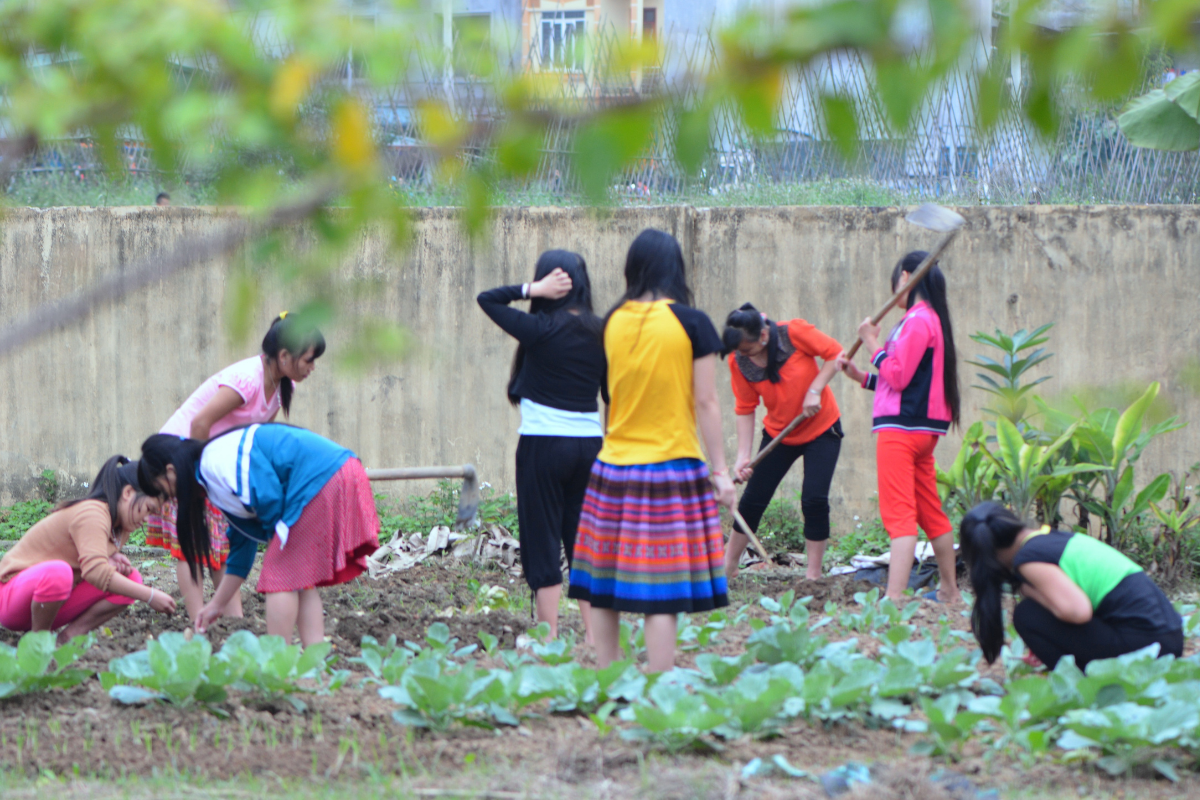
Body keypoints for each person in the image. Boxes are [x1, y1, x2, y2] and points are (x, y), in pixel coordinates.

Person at [568, 229, 735, 672]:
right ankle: (659, 682)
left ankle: (610, 675)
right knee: (662, 593)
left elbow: (609, 399)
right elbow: (706, 401)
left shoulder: (610, 323)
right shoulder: (692, 323)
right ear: (675, 268)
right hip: (671, 469)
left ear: (632, 269)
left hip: (613, 469)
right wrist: (721, 472)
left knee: (602, 583)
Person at [146, 314, 325, 623]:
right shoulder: (248, 380)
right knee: (192, 541)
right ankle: (198, 621)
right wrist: (198, 481)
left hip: (217, 467)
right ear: (284, 356)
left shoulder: (283, 386)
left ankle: (231, 620)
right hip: (183, 461)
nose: (313, 367)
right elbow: (200, 423)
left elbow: (254, 439)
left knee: (221, 541)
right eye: (309, 359)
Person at [139, 424, 380, 646]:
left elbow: (268, 495)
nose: (172, 500)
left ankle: (277, 667)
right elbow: (242, 548)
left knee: (280, 575)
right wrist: (216, 605)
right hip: (338, 472)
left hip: (323, 477)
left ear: (171, 472)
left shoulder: (214, 462)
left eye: (165, 491)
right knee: (300, 579)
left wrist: (279, 545)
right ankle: (315, 662)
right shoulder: (212, 479)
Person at [477, 250, 606, 642]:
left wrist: (531, 289)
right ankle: (594, 635)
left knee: (542, 538)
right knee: (583, 540)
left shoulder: (539, 328)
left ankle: (547, 636)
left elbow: (487, 299)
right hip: (591, 446)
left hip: (543, 446)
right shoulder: (603, 331)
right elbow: (613, 395)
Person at [838, 251, 962, 603]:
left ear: (906, 278)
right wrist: (861, 377)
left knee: (900, 515)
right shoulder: (933, 321)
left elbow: (898, 375)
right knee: (928, 509)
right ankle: (950, 591)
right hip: (922, 431)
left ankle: (894, 598)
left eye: (895, 280)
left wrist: (871, 340)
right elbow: (905, 383)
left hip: (900, 432)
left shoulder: (917, 321)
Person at [960, 502, 1183, 669]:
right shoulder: (1052, 539)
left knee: (1027, 615)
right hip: (1168, 640)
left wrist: (1028, 590)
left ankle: (1079, 681)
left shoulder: (1029, 559)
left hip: (1145, 649)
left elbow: (1077, 612)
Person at [722, 303, 844, 580]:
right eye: (738, 350)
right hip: (779, 435)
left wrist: (816, 389)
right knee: (753, 499)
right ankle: (727, 568)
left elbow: (836, 353)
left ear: (763, 336)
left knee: (813, 499)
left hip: (822, 428)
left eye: (747, 349)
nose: (743, 355)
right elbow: (745, 407)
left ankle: (813, 576)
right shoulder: (737, 360)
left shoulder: (794, 332)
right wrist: (743, 456)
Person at [0, 457, 176, 642]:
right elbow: (95, 571)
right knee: (59, 573)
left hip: (48, 602)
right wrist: (149, 596)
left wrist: (111, 556)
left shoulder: (121, 525)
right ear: (128, 493)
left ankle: (67, 639)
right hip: (10, 599)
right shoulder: (93, 513)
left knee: (131, 578)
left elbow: (88, 559)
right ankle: (39, 643)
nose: (147, 519)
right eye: (148, 508)